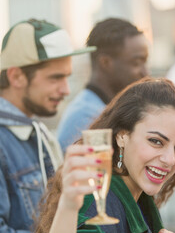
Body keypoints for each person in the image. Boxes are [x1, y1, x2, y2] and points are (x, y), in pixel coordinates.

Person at [0, 19, 95, 233]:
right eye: (56, 78)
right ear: (16, 76)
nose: (66, 89)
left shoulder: (30, 130)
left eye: (67, 77)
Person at [35, 77, 175, 233]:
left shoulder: (139, 198)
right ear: (122, 136)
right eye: (156, 141)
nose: (170, 159)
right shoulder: (96, 206)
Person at [57, 17, 149, 153]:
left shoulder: (104, 110)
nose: (145, 72)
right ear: (105, 62)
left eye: (145, 62)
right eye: (136, 63)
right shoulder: (87, 118)